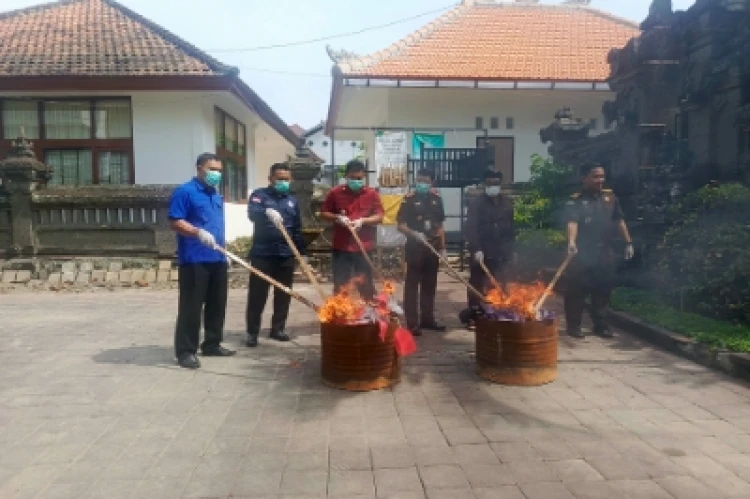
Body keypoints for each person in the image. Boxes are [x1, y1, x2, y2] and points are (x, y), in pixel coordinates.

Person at [168, 153, 236, 369]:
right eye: (211, 169)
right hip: (194, 259)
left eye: (219, 170)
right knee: (191, 307)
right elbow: (175, 221)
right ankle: (186, 351)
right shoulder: (185, 191)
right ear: (199, 168)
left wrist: (225, 252)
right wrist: (197, 232)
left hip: (216, 257)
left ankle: (212, 344)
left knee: (217, 303)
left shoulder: (215, 196)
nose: (216, 174)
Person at [564, 163, 634, 339]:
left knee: (602, 290)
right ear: (584, 178)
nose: (600, 180)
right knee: (577, 290)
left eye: (602, 176)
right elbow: (572, 222)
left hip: (604, 251)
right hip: (582, 252)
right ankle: (574, 326)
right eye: (595, 176)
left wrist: (628, 242)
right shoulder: (577, 199)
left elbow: (619, 221)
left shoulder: (610, 198)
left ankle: (601, 325)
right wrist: (571, 242)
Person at [244, 163, 307, 347]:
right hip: (262, 254)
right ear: (270, 178)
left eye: (286, 179)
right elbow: (252, 214)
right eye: (279, 179)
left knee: (283, 294)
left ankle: (277, 329)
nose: (283, 182)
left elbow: (296, 229)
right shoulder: (259, 195)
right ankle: (252, 332)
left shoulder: (292, 201)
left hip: (285, 255)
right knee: (257, 295)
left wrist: (302, 253)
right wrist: (266, 212)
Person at [320, 159, 384, 300]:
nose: (356, 181)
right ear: (346, 176)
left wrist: (363, 221)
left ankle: (369, 315)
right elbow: (324, 213)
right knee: (341, 284)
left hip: (364, 246)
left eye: (359, 178)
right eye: (352, 178)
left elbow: (380, 216)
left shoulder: (371, 194)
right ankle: (340, 317)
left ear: (364, 177)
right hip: (341, 246)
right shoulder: (335, 193)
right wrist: (338, 218)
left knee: (365, 284)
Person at [463, 169, 515, 330]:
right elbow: (470, 228)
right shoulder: (476, 203)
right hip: (481, 250)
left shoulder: (507, 202)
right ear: (485, 183)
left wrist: (512, 249)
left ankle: (496, 313)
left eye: (496, 183)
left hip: (501, 250)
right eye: (490, 183)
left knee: (499, 283)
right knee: (477, 284)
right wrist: (476, 249)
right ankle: (474, 315)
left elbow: (511, 228)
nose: (493, 186)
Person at [397, 169, 447, 336]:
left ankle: (428, 319)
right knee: (412, 286)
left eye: (425, 181)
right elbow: (400, 225)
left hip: (432, 248)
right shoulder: (409, 199)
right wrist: (414, 234)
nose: (421, 184)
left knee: (430, 285)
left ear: (431, 181)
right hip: (415, 248)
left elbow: (440, 226)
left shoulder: (437, 199)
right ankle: (412, 324)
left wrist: (443, 248)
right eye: (419, 180)